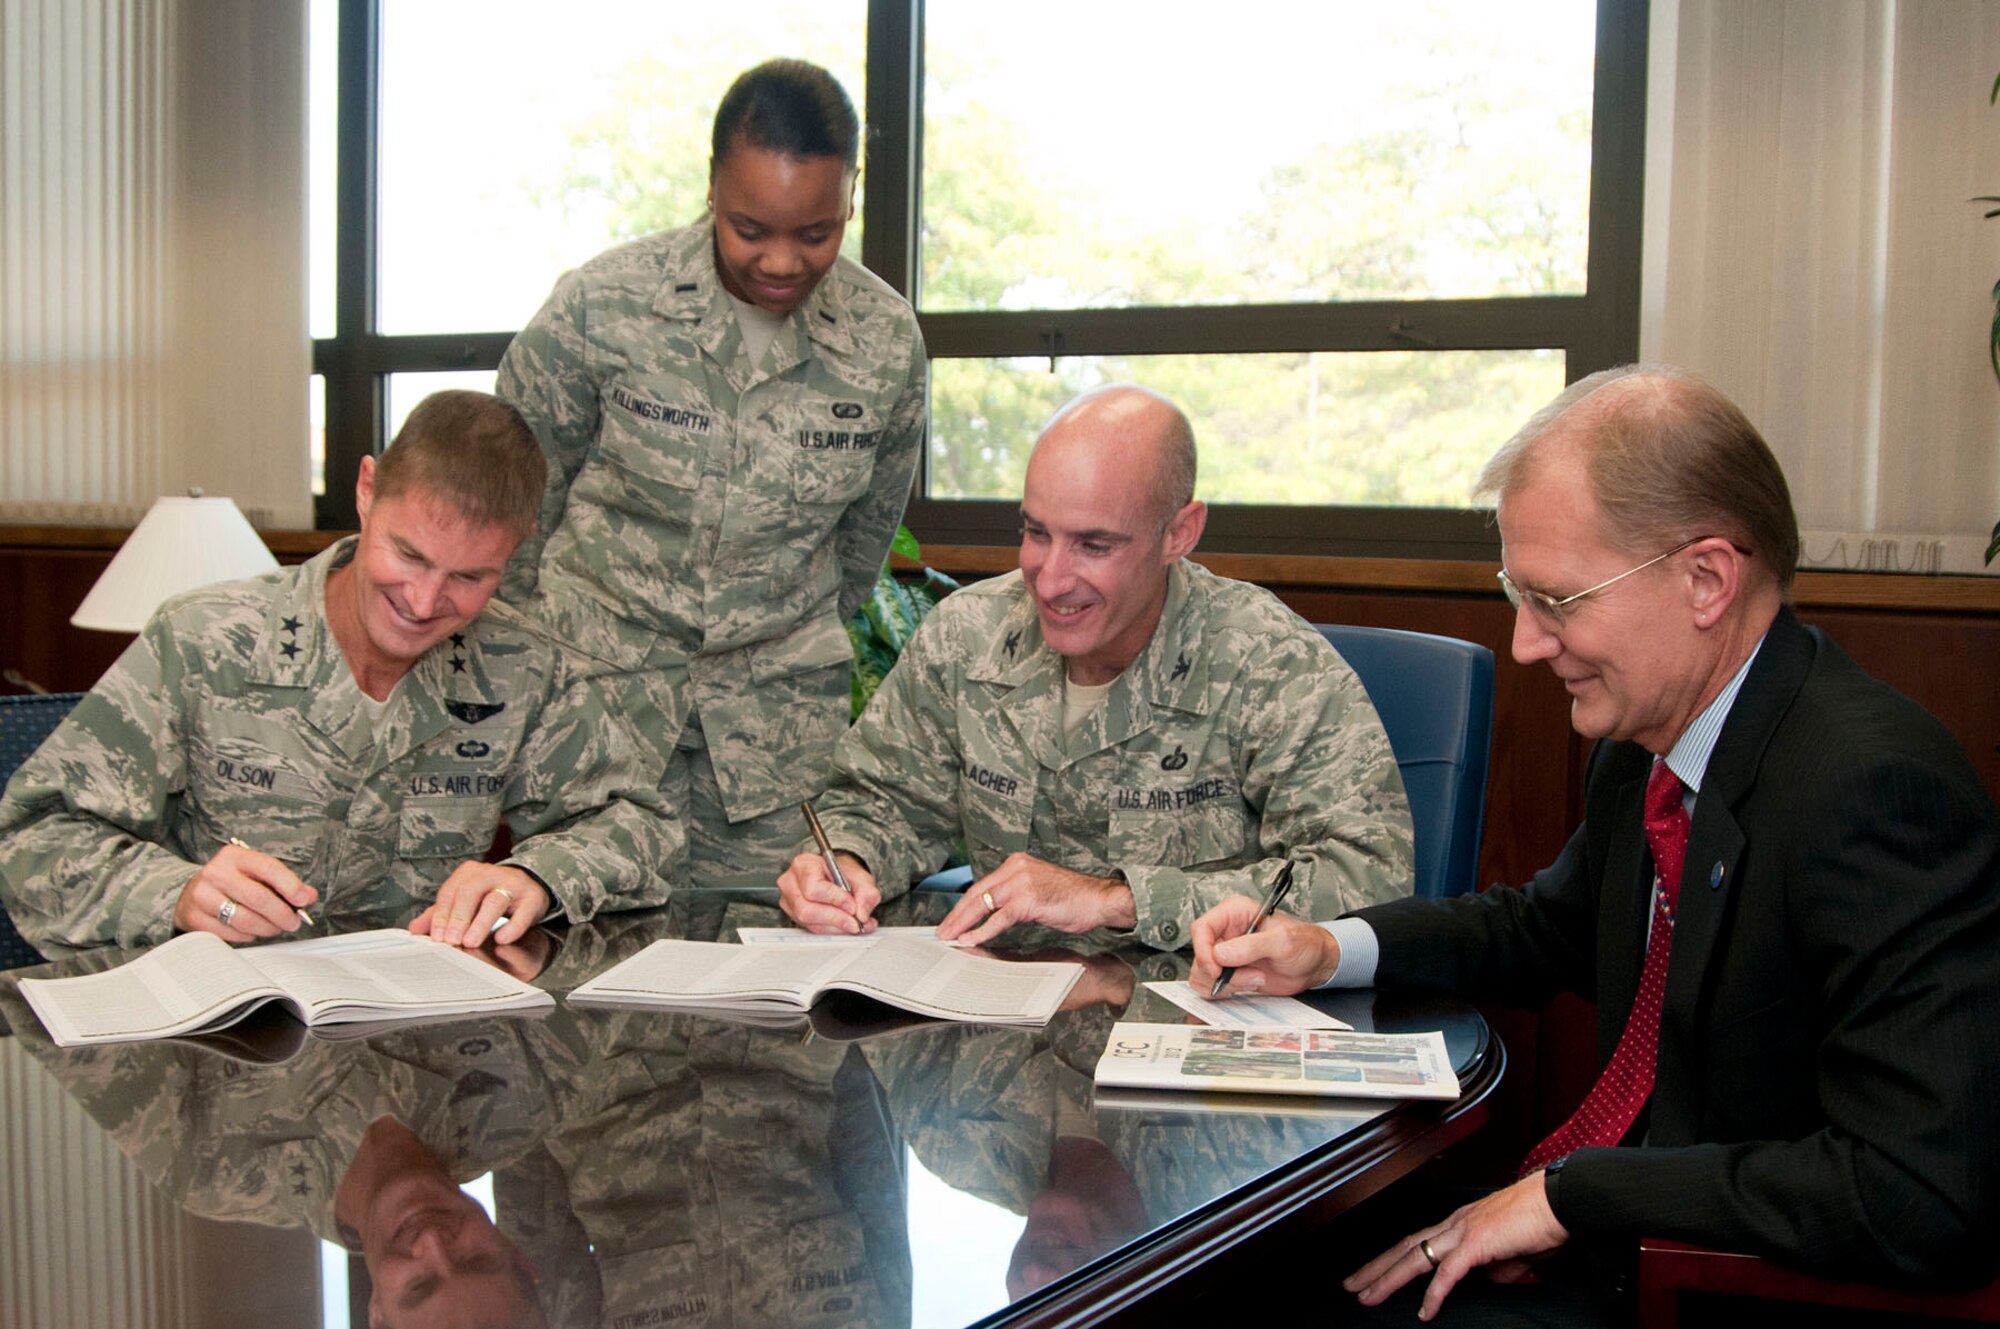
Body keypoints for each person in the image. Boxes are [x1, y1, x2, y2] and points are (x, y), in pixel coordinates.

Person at [1190, 365, 2000, 1321]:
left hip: (1696, 1288)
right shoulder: (1652, 743)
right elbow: (1543, 928)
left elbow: (1918, 1191)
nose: (1527, 644)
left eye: (1558, 600)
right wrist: (1331, 947)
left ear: (1707, 579)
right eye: (1516, 595)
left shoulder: (1873, 788)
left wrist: (1573, 1197)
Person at [0, 390, 677, 957]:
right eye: (407, 554)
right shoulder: (206, 642)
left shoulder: (523, 665)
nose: (422, 601)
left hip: (424, 1058)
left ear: (515, 550)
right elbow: (33, 839)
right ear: (366, 490)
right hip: (229, 1060)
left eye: (469, 576)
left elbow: (637, 826)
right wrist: (171, 891)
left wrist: (538, 875)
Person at [496, 58, 927, 894]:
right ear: (710, 186)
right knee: (588, 981)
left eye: (816, 233)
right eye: (750, 227)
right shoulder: (603, 307)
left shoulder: (885, 343)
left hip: (771, 753)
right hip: (597, 728)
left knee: (769, 989)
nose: (780, 260)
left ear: (852, 197)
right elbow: (513, 510)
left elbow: (860, 551)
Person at [778, 384, 1413, 950]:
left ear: (1179, 533)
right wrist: (844, 862)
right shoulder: (966, 636)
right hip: (996, 1029)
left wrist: (1115, 900)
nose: (1051, 580)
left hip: (1190, 1031)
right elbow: (882, 800)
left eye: (1093, 544)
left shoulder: (1268, 664)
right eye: (1036, 532)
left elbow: (1368, 877)